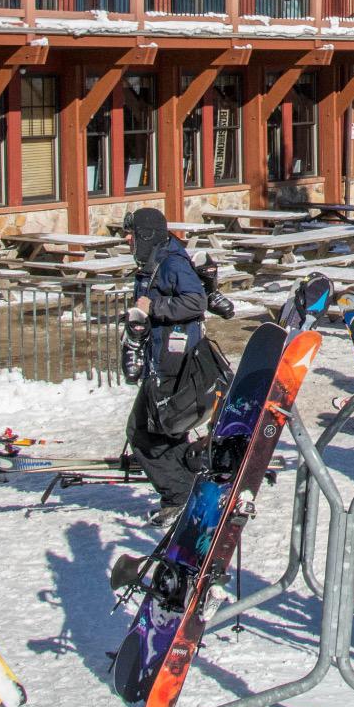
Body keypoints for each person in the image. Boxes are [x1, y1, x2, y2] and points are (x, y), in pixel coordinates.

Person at [121, 208, 228, 525]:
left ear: (147, 234)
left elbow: (196, 301)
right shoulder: (157, 260)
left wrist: (152, 306)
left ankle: (180, 496)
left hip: (176, 363)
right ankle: (188, 491)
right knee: (165, 430)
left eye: (132, 233)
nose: (127, 239)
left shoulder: (171, 262)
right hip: (164, 360)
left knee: (144, 431)